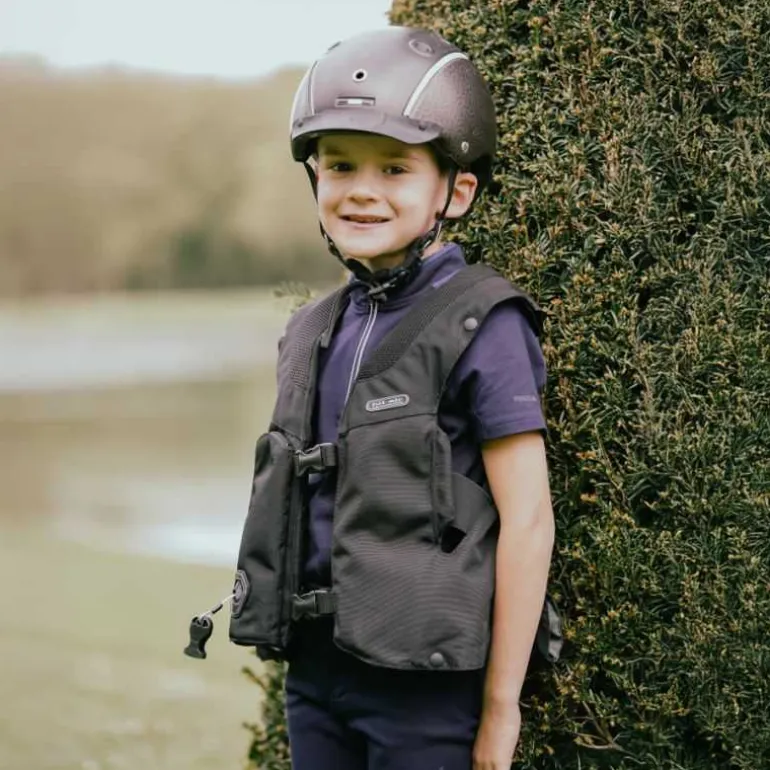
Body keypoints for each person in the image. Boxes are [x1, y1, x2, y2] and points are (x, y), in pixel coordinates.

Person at [229, 25, 555, 770]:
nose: (362, 190)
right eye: (340, 165)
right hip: (315, 679)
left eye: (395, 168)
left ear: (456, 191)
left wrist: (501, 708)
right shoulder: (312, 329)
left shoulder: (485, 324)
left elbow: (529, 521)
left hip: (425, 693)